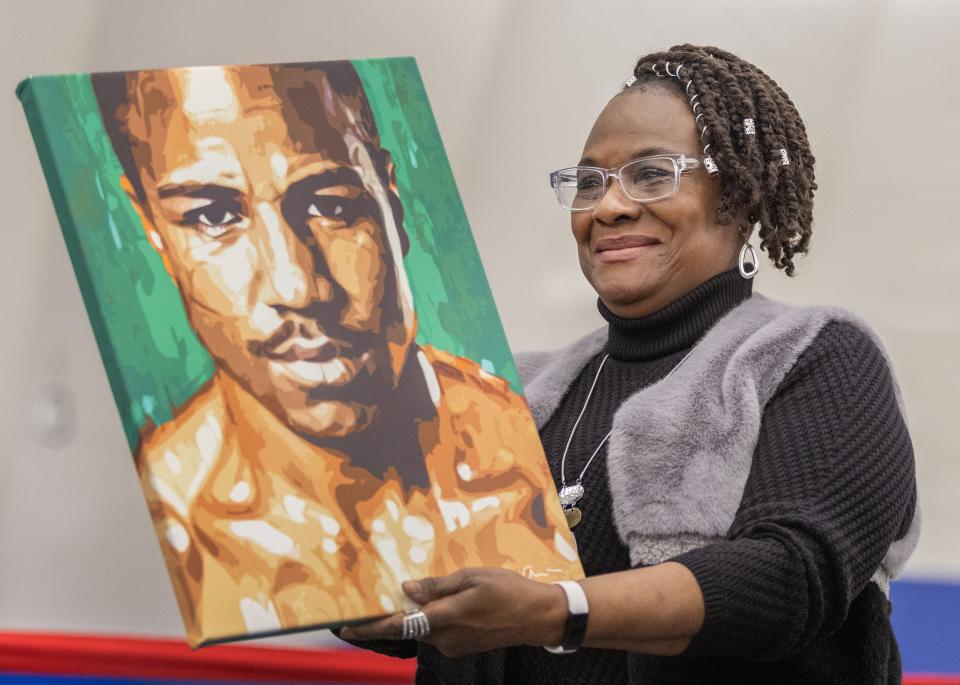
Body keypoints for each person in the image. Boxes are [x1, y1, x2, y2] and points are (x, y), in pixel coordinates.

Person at [338, 44, 920, 684]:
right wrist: (356, 580)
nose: (608, 206)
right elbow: (441, 600)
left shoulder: (813, 354)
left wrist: (559, 610)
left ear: (739, 196)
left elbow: (789, 579)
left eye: (651, 174)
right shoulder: (510, 392)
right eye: (588, 182)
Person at [91, 62, 581, 645]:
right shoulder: (188, 513)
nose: (298, 286)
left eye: (330, 204)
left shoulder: (540, 441)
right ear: (155, 234)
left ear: (389, 201)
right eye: (213, 216)